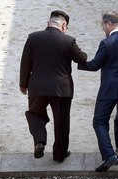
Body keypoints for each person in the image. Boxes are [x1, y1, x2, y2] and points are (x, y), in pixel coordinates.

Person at [78, 11, 118, 172]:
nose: (102, 28)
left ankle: (109, 154)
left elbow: (94, 65)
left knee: (99, 121)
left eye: (102, 25)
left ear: (108, 23)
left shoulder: (107, 43)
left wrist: (79, 62)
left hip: (109, 88)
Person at [20, 10, 87, 162]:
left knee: (35, 114)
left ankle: (39, 141)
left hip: (37, 87)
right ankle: (59, 154)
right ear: (63, 25)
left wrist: (23, 84)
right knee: (61, 122)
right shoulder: (68, 41)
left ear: (49, 22)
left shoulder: (33, 38)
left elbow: (25, 63)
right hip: (61, 89)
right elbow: (82, 58)